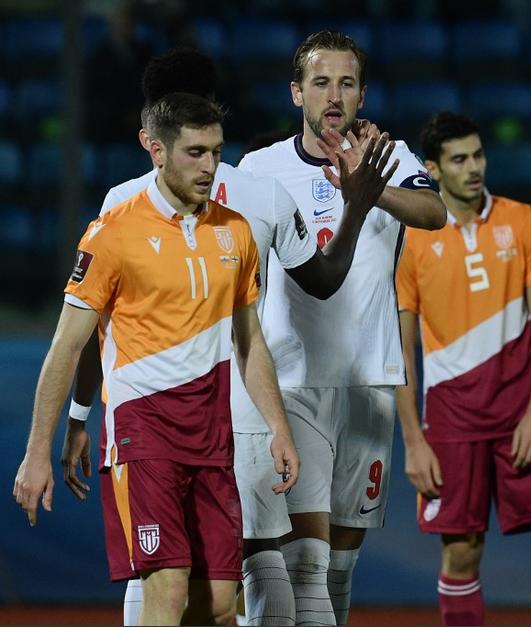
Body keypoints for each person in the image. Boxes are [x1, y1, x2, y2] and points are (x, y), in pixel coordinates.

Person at [60, 48, 396, 626]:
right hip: (243, 408)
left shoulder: (122, 202)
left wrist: (77, 414)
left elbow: (92, 330)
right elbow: (322, 281)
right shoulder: (262, 193)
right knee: (264, 562)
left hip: (151, 416)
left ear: (150, 126)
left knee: (165, 569)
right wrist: (357, 208)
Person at [13, 93, 301, 626]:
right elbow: (65, 349)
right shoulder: (113, 234)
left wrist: (278, 428)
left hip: (213, 440)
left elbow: (250, 342)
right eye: (195, 152)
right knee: (165, 590)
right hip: (144, 435)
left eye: (216, 150)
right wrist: (38, 451)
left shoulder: (235, 231)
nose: (210, 166)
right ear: (155, 150)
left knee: (217, 603)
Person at [237, 30, 447, 626]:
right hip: (294, 383)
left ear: (361, 95)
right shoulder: (260, 168)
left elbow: (434, 213)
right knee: (306, 565)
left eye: (346, 83)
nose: (334, 95)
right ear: (296, 92)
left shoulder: (389, 157)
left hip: (368, 385)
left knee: (337, 574)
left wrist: (370, 191)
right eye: (321, 82)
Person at [396, 112, 531, 626]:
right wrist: (413, 441)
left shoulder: (523, 220)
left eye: (478, 155)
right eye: (459, 159)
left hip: (520, 415)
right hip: (450, 422)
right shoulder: (410, 240)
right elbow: (397, 350)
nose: (473, 168)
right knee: (461, 554)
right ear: (433, 169)